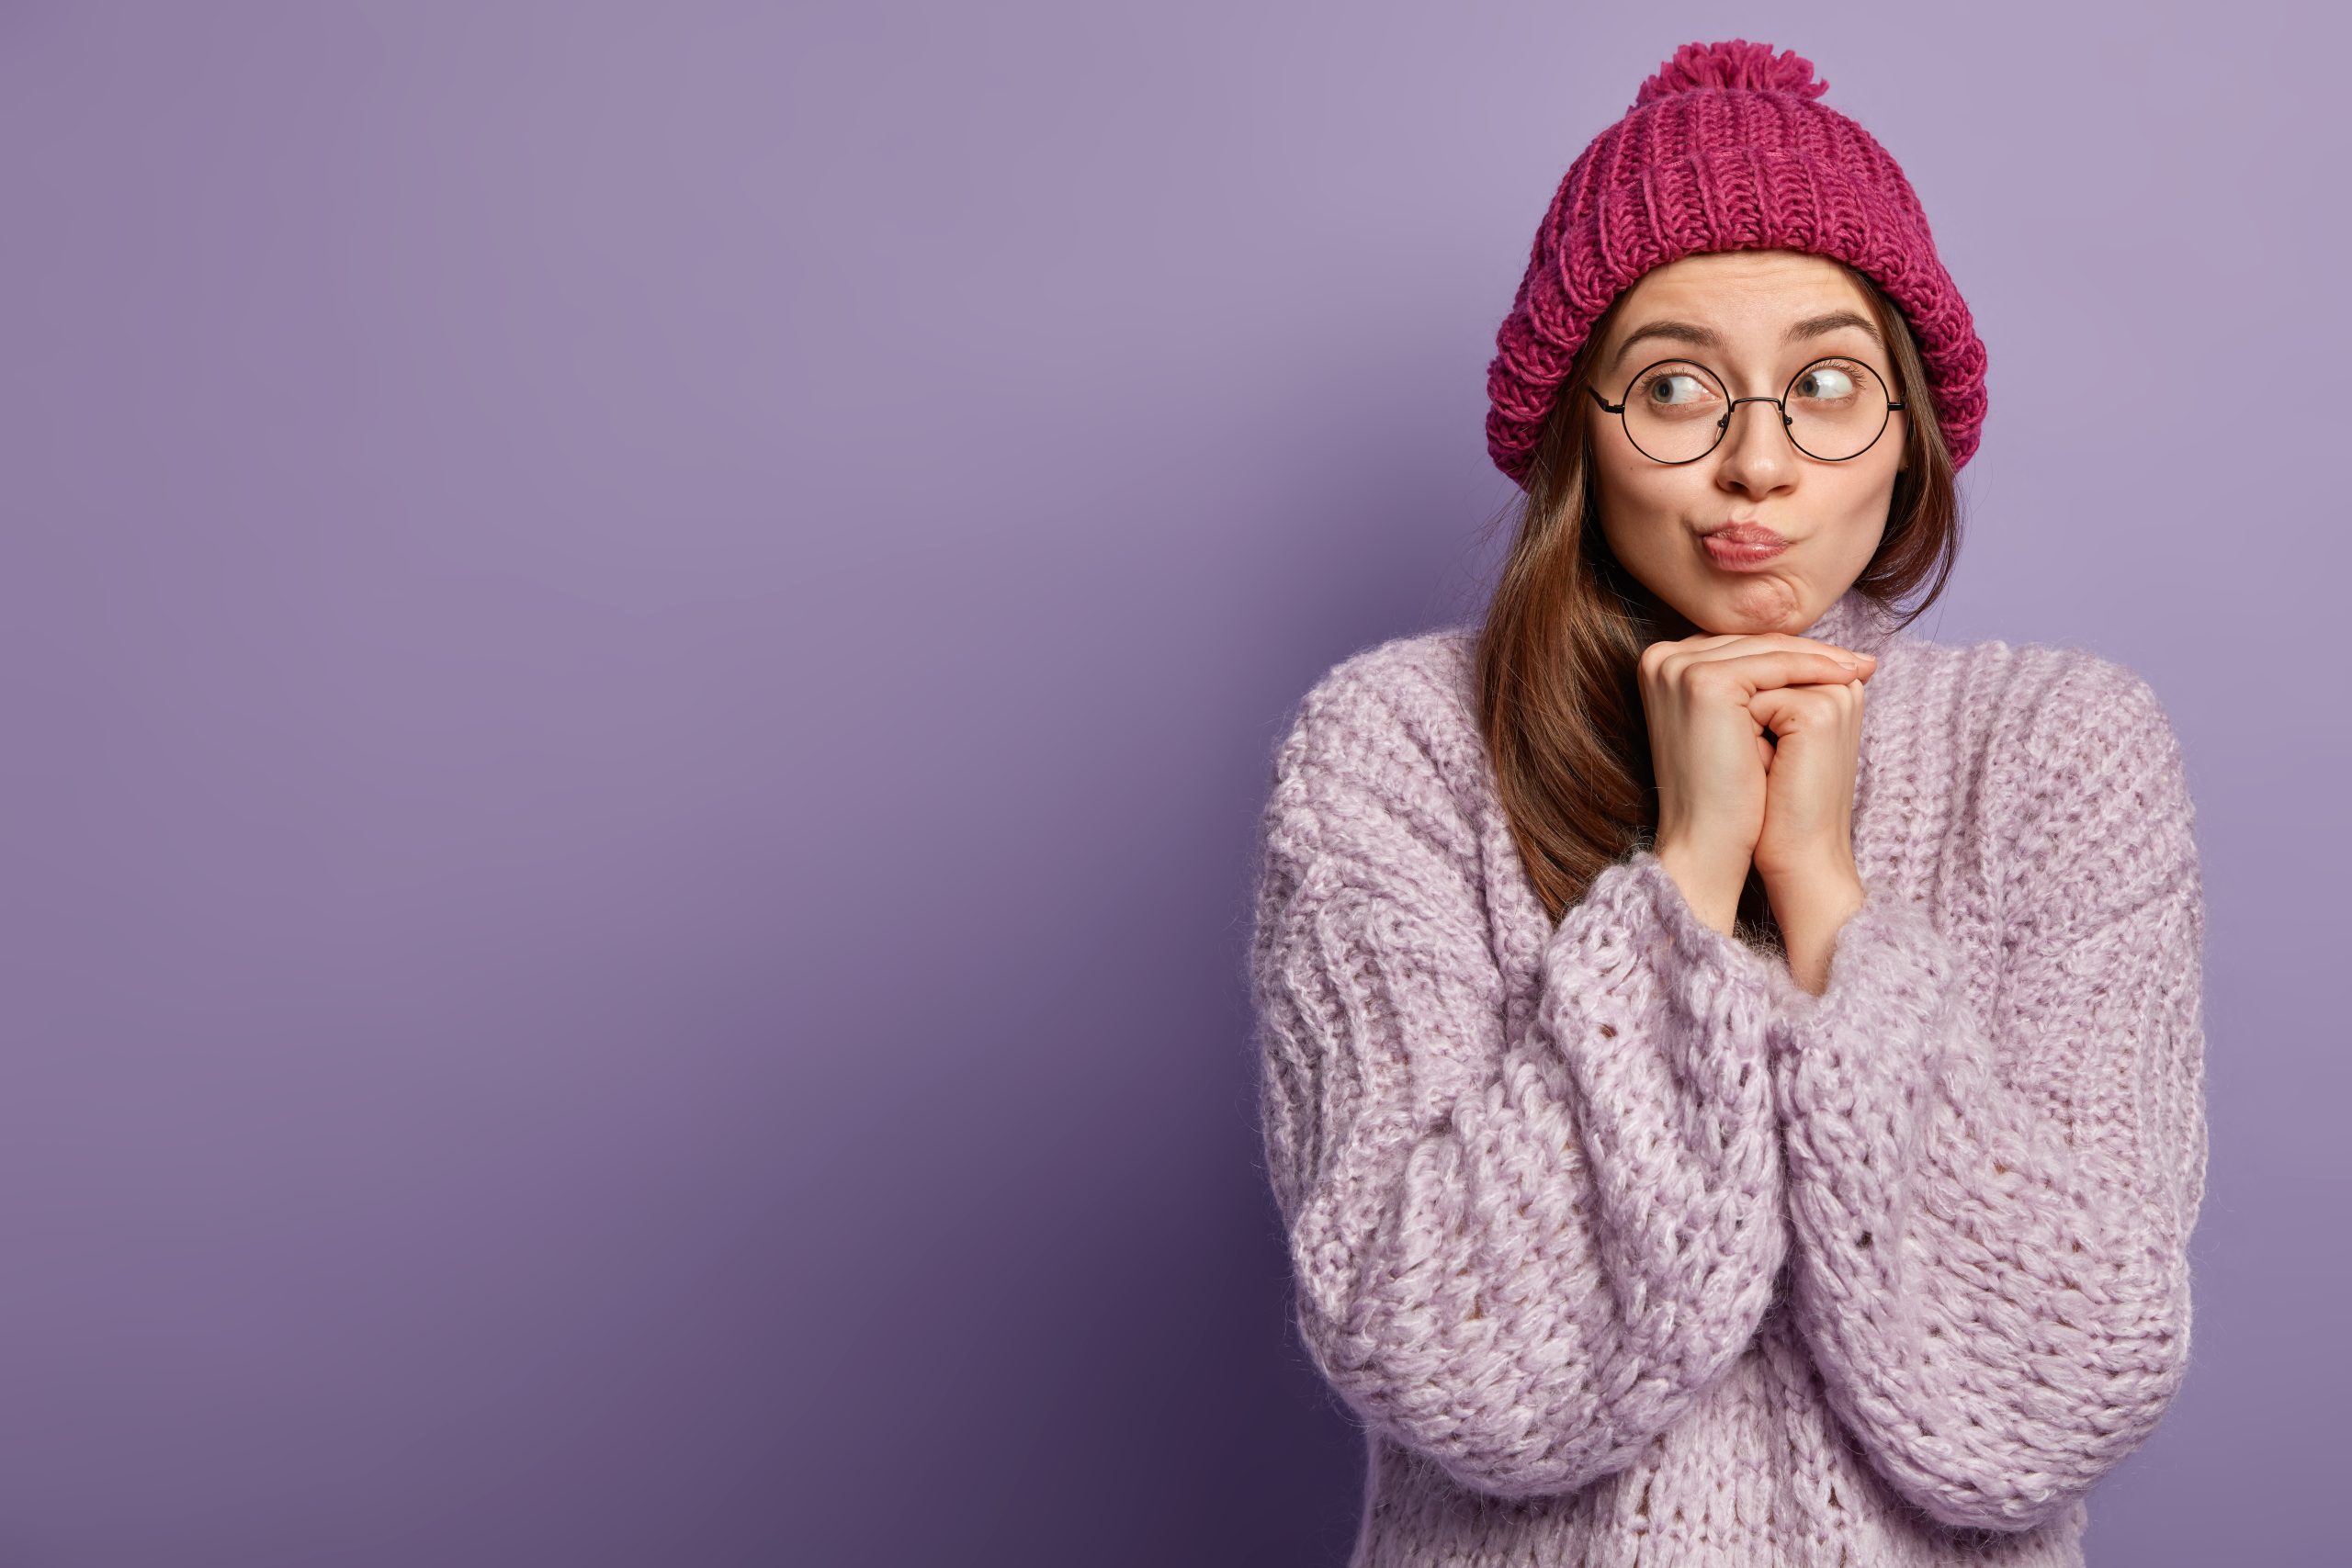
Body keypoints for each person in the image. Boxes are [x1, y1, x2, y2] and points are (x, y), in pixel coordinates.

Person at [1247, 39, 2207, 1568]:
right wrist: (1687, 880)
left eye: (1828, 385)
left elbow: (2055, 1396)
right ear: (1578, 425)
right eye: (1677, 387)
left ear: (1909, 433)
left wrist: (1824, 896)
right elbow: (1452, 1362)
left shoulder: (2064, 751)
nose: (1755, 463)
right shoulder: (1398, 747)